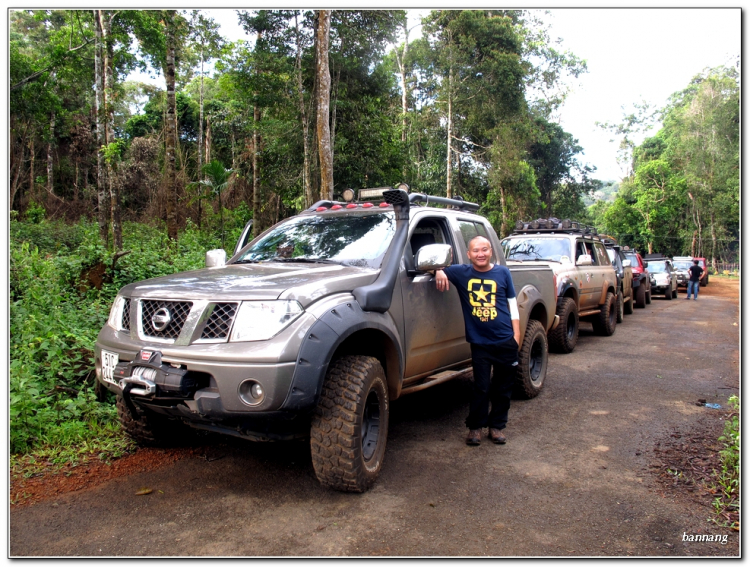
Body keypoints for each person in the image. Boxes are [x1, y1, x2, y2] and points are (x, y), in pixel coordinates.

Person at [435, 235, 521, 446]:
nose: (480, 254)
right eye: (476, 250)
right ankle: (475, 428)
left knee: (503, 387)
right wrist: (438, 270)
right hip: (480, 343)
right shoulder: (461, 273)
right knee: (480, 387)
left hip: (505, 340)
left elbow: (512, 304)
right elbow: (435, 268)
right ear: (469, 254)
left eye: (484, 249)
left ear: (491, 251)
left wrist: (516, 336)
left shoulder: (503, 273)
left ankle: (497, 426)